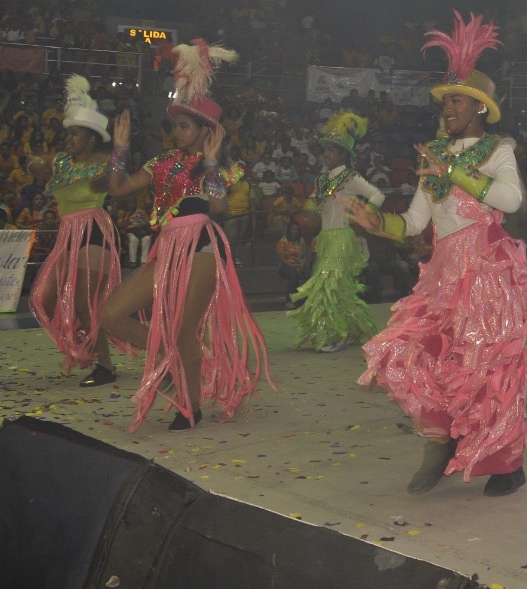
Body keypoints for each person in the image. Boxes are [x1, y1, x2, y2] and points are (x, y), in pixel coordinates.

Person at [348, 12, 527, 497]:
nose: (448, 107)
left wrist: (457, 173)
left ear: (477, 107)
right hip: (443, 274)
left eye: (456, 99)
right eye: (446, 99)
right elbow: (413, 223)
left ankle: (506, 463)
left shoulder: (497, 149)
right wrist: (377, 223)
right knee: (401, 350)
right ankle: (440, 440)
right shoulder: (434, 154)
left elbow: (512, 201)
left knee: (486, 372)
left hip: (487, 272)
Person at [102, 40, 271, 431]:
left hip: (202, 249)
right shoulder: (161, 162)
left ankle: (190, 405)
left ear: (203, 130)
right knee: (111, 314)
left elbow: (219, 207)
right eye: (175, 125)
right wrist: (120, 148)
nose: (176, 131)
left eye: (184, 125)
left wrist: (211, 161)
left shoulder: (214, 168)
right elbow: (118, 189)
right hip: (167, 249)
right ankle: (167, 361)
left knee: (183, 333)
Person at [28, 76, 124, 386]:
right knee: (42, 297)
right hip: (68, 233)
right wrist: (34, 164)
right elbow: (34, 165)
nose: (68, 139)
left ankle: (105, 367)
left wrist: (112, 168)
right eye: (67, 134)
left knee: (85, 302)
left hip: (93, 230)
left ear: (92, 138)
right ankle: (88, 336)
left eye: (74, 134)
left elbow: (114, 180)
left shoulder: (101, 164)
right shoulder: (59, 163)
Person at [291, 110, 385, 351]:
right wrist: (308, 211)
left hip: (343, 238)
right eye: (326, 150)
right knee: (339, 289)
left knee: (328, 285)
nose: (327, 154)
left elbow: (378, 194)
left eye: (332, 150)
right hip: (325, 238)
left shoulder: (350, 177)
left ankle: (336, 335)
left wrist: (364, 214)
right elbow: (313, 205)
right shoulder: (322, 180)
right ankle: (349, 331)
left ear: (344, 154)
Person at [276, 220, 313, 307]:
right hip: (285, 266)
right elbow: (282, 259)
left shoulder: (301, 240)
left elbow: (304, 256)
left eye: (296, 229)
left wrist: (301, 266)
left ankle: (306, 299)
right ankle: (290, 300)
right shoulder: (283, 241)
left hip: (299, 266)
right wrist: (294, 267)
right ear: (289, 230)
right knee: (293, 274)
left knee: (311, 275)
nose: (294, 231)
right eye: (292, 229)